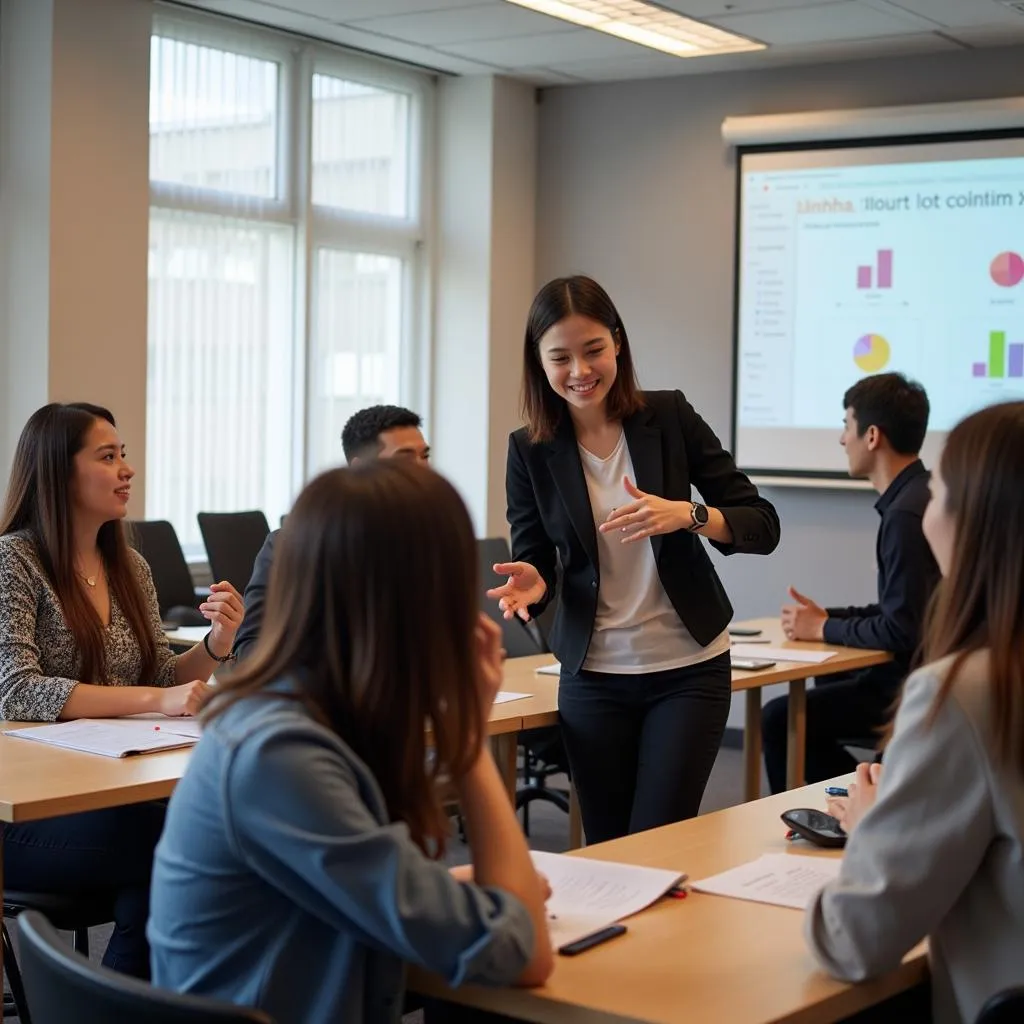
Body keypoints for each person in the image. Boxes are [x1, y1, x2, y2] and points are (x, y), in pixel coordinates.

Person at [149, 461, 553, 1023]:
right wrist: (466, 734)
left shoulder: (312, 711)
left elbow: (349, 873)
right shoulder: (280, 756)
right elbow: (522, 953)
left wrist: (453, 893)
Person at [488, 276, 780, 844]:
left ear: (618, 342)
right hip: (593, 677)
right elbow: (536, 557)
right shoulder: (529, 449)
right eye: (561, 357)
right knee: (607, 847)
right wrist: (535, 581)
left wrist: (689, 516)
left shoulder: (668, 417)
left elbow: (761, 523)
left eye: (593, 349)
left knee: (659, 841)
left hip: (688, 670)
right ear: (539, 363)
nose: (580, 370)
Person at [0, 402, 244, 977]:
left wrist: (217, 643)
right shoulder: (14, 559)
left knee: (190, 838)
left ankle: (113, 998)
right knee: (175, 843)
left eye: (124, 455)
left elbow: (161, 675)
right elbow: (18, 691)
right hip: (23, 814)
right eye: (107, 457)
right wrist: (158, 699)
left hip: (107, 791)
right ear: (59, 473)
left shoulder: (130, 565)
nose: (126, 469)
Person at [805, 400, 1024, 1024]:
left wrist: (868, 827)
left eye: (943, 491)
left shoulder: (967, 693)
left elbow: (850, 940)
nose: (928, 509)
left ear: (980, 521)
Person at [761, 373, 940, 793]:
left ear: (872, 435)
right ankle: (859, 800)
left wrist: (822, 628)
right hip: (923, 671)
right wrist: (831, 617)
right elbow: (907, 606)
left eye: (847, 425)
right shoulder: (919, 495)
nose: (843, 439)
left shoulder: (904, 516)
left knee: (780, 717)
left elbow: (903, 629)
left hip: (914, 686)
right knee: (825, 686)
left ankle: (854, 807)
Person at [232, 404, 429, 660]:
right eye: (404, 458)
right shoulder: (291, 546)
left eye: (425, 456)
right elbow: (249, 650)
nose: (423, 469)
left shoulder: (431, 545)